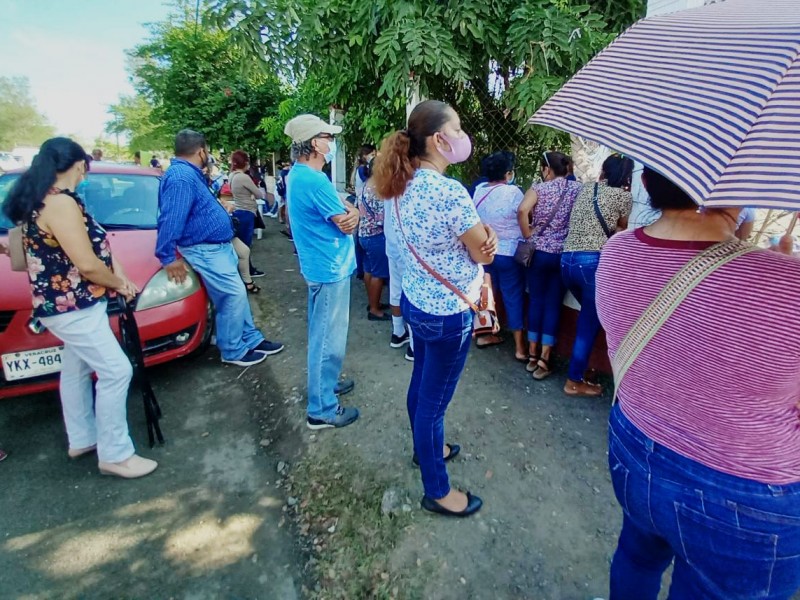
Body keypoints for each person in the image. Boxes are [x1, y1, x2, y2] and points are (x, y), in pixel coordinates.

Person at [597, 166, 800, 600]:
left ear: (648, 183)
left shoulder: (616, 252)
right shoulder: (788, 285)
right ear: (740, 191)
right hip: (748, 496)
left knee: (635, 558)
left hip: (636, 447)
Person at [1, 137, 157, 478]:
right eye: (84, 168)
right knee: (117, 371)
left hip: (66, 305)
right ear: (78, 165)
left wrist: (117, 273)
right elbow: (86, 263)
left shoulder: (46, 200)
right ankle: (115, 454)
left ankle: (82, 438)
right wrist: (121, 284)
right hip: (74, 306)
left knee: (75, 370)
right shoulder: (61, 204)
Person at [373, 100, 498, 517]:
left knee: (422, 385)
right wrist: (489, 238)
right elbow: (482, 254)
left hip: (416, 301)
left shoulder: (399, 184)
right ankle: (437, 490)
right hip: (447, 313)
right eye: (458, 129)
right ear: (440, 140)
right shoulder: (448, 192)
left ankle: (426, 450)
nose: (463, 137)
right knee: (434, 403)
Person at [155, 129, 284, 367]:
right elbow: (170, 218)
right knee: (232, 296)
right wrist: (167, 256)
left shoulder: (188, 174)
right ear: (201, 151)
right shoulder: (181, 177)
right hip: (205, 249)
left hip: (216, 247)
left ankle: (250, 338)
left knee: (237, 295)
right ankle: (233, 349)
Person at [284, 114, 360, 430]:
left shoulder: (300, 175)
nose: (331, 144)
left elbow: (348, 213)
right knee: (327, 339)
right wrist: (353, 212)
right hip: (329, 268)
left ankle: (324, 386)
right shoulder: (314, 180)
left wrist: (351, 211)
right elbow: (346, 219)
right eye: (328, 138)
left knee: (324, 334)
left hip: (322, 266)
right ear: (315, 143)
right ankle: (322, 408)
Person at [561, 154, 633, 397]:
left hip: (566, 261)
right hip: (592, 264)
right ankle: (573, 381)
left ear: (603, 170)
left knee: (589, 319)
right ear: (627, 177)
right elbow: (621, 228)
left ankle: (582, 368)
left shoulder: (587, 188)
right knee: (588, 324)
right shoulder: (624, 197)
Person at [518, 151, 582, 380]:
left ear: (547, 169)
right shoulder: (578, 190)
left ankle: (532, 354)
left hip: (539, 253)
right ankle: (545, 359)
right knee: (554, 304)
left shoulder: (539, 188)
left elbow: (523, 210)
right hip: (562, 254)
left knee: (536, 300)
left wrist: (529, 234)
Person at [471, 151, 526, 359]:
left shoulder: (478, 191)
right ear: (508, 173)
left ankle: (484, 335)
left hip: (485, 250)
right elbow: (524, 214)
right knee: (513, 296)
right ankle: (520, 348)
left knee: (485, 294)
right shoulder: (513, 193)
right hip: (508, 252)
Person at [358, 158, 391, 321]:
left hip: (364, 234)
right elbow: (382, 219)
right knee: (378, 273)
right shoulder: (378, 190)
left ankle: (373, 302)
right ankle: (374, 309)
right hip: (376, 236)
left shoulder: (366, 185)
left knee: (369, 270)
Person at [229, 150, 266, 278]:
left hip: (238, 210)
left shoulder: (232, 175)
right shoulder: (243, 177)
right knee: (246, 246)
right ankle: (248, 271)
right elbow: (259, 194)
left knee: (241, 244)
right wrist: (251, 194)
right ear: (245, 162)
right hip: (247, 212)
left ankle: (246, 270)